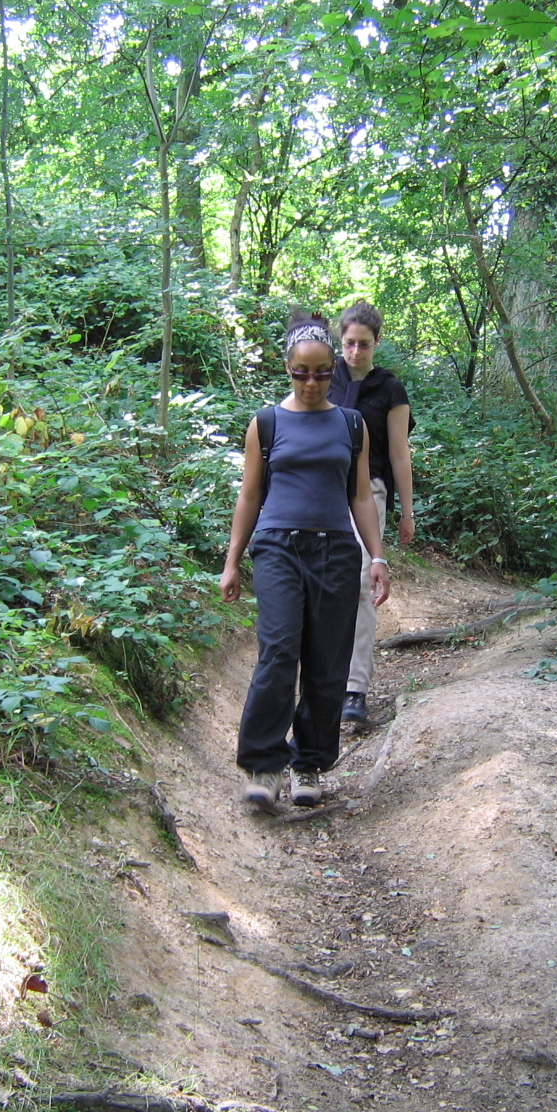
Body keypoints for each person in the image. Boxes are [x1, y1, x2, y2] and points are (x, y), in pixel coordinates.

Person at [220, 311, 391, 811]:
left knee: (326, 662)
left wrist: (377, 556)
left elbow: (360, 495)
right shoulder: (266, 423)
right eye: (302, 373)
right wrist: (232, 561)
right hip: (277, 548)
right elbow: (250, 496)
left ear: (332, 369)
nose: (312, 383)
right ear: (288, 369)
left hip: (336, 551)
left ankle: (309, 763)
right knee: (278, 652)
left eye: (320, 373)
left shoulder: (352, 424)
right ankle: (264, 765)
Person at [328, 301, 414, 725]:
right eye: (349, 343)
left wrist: (407, 512)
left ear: (377, 342)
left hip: (370, 491)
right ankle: (322, 681)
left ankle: (354, 688)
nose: (355, 351)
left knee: (362, 582)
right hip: (323, 491)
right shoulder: (324, 376)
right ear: (339, 340)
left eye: (363, 344)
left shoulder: (390, 389)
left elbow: (399, 454)